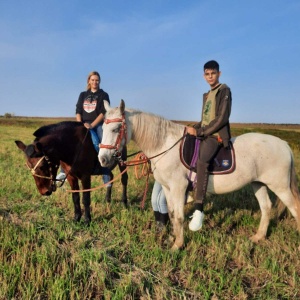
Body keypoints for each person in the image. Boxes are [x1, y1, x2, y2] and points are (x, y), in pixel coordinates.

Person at [186, 60, 232, 231]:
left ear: (218, 74)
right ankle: (187, 193)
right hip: (205, 132)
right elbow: (204, 119)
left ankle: (199, 210)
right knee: (186, 153)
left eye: (213, 73)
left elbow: (222, 118)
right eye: (207, 74)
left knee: (202, 161)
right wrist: (192, 128)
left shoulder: (224, 90)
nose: (210, 76)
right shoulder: (207, 95)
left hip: (215, 135)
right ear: (204, 76)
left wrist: (201, 132)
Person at [56, 71, 111, 185]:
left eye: (97, 80)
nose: (95, 82)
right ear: (89, 81)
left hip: (97, 125)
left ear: (99, 81)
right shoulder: (83, 95)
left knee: (101, 144)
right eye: (93, 80)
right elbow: (78, 111)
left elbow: (103, 112)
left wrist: (92, 125)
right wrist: (80, 124)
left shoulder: (103, 95)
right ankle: (63, 171)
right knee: (69, 143)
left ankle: (105, 173)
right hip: (82, 124)